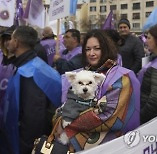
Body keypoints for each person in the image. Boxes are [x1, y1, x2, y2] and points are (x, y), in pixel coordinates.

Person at [55, 29, 140, 153]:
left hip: (111, 147)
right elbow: (66, 104)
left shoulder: (123, 77)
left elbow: (107, 114)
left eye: (97, 48)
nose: (91, 53)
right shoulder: (81, 73)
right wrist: (58, 117)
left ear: (106, 49)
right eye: (88, 49)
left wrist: (66, 123)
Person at [0, 26, 62, 154]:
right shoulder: (33, 66)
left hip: (25, 145)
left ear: (16, 42)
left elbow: (33, 118)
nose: (9, 42)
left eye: (11, 38)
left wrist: (26, 149)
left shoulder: (30, 72)